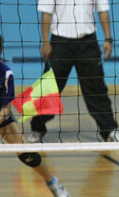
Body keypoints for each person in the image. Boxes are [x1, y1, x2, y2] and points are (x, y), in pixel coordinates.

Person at [28, 0, 119, 143]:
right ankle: (37, 129)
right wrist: (45, 42)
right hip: (60, 43)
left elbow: (103, 10)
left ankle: (109, 131)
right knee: (48, 89)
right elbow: (46, 13)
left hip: (87, 43)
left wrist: (108, 39)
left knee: (96, 88)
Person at [0, 36, 70, 197]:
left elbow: (5, 110)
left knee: (26, 153)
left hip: (1, 116)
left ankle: (52, 182)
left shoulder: (5, 72)